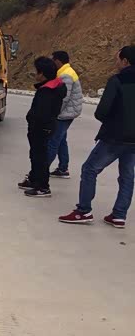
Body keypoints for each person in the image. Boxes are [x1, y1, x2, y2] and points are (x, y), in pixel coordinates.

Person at [59, 46, 135, 228]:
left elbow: (102, 111)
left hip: (114, 137)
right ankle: (119, 215)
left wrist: (112, 121)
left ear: (125, 61)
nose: (116, 62)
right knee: (127, 176)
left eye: (117, 59)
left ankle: (83, 210)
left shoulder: (117, 80)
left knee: (89, 169)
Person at [18, 56, 66, 198]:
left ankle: (43, 187)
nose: (35, 74)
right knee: (35, 154)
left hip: (41, 128)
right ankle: (34, 179)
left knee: (40, 157)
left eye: (37, 71)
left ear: (42, 74)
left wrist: (31, 119)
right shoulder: (54, 86)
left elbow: (41, 113)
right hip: (44, 126)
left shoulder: (47, 91)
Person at [47, 51, 84, 179]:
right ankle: (63, 168)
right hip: (68, 112)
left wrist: (54, 113)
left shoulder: (66, 75)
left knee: (53, 141)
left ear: (58, 61)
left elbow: (63, 98)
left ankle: (41, 170)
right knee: (61, 140)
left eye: (53, 60)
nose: (52, 63)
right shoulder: (66, 72)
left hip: (65, 113)